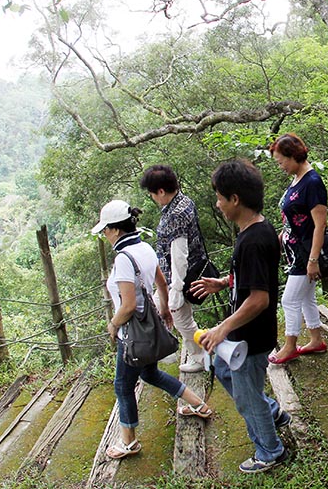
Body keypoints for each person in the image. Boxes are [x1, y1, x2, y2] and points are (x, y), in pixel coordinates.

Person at [190, 160, 289, 474]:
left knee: (247, 398)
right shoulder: (257, 229)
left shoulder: (253, 242)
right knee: (223, 369)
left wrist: (221, 329)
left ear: (235, 199)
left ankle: (270, 451)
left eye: (220, 197)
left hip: (251, 336)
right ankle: (271, 411)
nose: (217, 204)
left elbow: (259, 299)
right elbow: (253, 280)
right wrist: (223, 282)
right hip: (245, 334)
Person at [93, 200, 213, 461]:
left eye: (105, 229)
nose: (104, 234)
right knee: (150, 374)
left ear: (114, 230)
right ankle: (197, 403)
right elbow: (161, 280)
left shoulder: (123, 259)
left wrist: (113, 325)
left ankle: (129, 443)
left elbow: (127, 306)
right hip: (150, 329)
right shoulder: (144, 247)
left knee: (123, 387)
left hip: (133, 335)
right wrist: (165, 309)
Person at [139, 165, 209, 373]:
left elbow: (179, 254)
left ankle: (202, 355)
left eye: (152, 193)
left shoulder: (175, 214)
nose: (152, 198)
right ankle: (197, 351)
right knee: (173, 315)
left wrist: (176, 289)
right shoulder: (183, 202)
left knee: (182, 319)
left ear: (161, 191)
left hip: (181, 276)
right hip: (182, 272)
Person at [268, 133, 328, 365]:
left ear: (293, 156)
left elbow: (320, 224)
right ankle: (316, 340)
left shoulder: (312, 182)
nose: (280, 166)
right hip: (295, 250)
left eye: (281, 161)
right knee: (305, 298)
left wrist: (313, 260)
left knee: (289, 300)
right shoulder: (298, 178)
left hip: (306, 253)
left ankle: (290, 346)